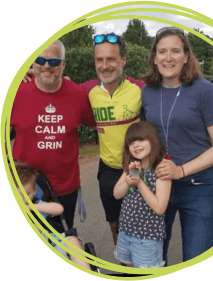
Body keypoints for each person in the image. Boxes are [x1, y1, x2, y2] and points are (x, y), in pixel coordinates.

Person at [141, 26, 213, 264]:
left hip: (199, 186)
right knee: (152, 260)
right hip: (160, 184)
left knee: (196, 260)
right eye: (162, 51)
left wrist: (180, 170)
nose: (168, 58)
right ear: (154, 57)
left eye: (175, 51)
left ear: (186, 56)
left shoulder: (204, 90)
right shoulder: (148, 91)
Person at [10, 40, 96, 232]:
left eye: (54, 61)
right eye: (40, 60)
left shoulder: (78, 95)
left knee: (62, 242)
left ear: (63, 64)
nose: (47, 65)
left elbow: (96, 124)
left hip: (65, 188)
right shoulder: (15, 92)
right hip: (22, 189)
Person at [88, 33, 142, 245]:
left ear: (123, 60)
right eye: (99, 60)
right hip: (108, 168)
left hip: (136, 165)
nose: (105, 65)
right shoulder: (89, 92)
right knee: (114, 223)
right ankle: (125, 264)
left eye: (111, 59)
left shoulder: (140, 89)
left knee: (138, 222)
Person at [10, 161, 91, 270]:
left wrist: (31, 207)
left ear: (34, 191)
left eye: (26, 194)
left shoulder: (38, 205)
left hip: (50, 243)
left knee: (73, 241)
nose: (22, 199)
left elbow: (59, 209)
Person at [113, 122, 171, 268]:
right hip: (125, 232)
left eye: (141, 140)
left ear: (152, 140)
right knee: (129, 270)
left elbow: (159, 208)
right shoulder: (131, 167)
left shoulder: (161, 169)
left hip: (147, 239)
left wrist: (139, 183)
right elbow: (117, 194)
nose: (136, 145)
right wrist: (129, 179)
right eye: (132, 142)